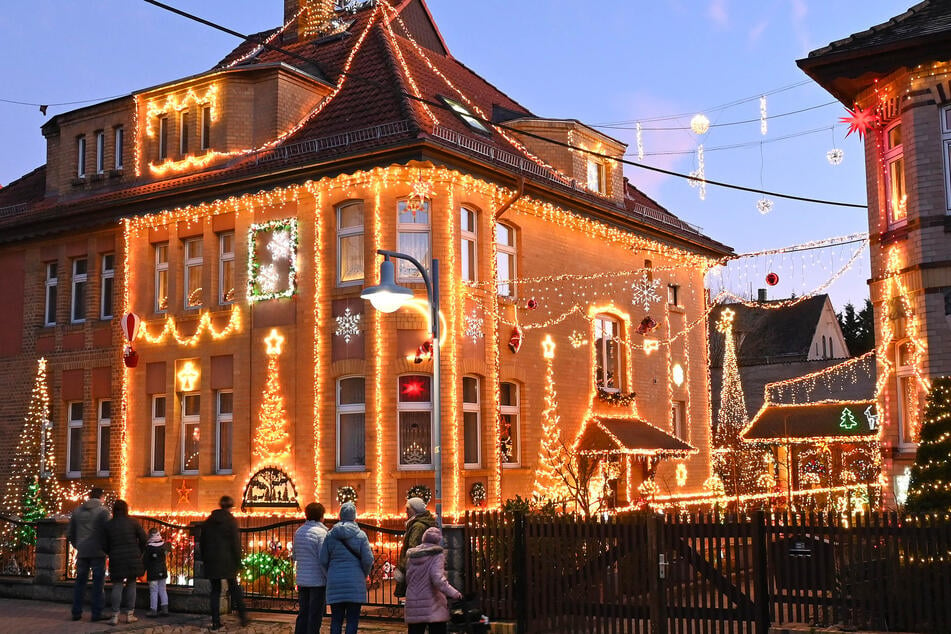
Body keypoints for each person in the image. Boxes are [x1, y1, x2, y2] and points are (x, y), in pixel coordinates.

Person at [319, 502, 374, 634]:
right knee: (352, 620)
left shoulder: (330, 535)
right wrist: (364, 573)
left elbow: (323, 559)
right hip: (355, 583)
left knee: (336, 619)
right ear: (354, 516)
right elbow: (368, 559)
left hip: (335, 582)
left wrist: (329, 574)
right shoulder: (361, 535)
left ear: (340, 515)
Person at [200, 495, 248, 630]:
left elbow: (202, 543)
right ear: (230, 507)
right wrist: (238, 561)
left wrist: (205, 559)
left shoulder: (208, 521)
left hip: (212, 561)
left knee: (215, 591)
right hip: (228, 561)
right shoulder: (231, 521)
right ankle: (243, 617)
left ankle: (215, 621)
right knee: (234, 589)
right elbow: (235, 543)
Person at [404, 527, 463, 634]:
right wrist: (455, 594)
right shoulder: (436, 554)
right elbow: (438, 580)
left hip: (413, 600)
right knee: (437, 629)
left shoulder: (412, 556)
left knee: (415, 630)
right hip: (432, 603)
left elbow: (408, 577)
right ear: (438, 540)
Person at [68, 487, 111, 622]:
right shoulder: (103, 512)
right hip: (98, 551)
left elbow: (71, 533)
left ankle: (76, 612)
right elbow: (107, 532)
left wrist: (78, 545)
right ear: (101, 497)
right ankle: (96, 613)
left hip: (82, 550)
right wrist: (107, 549)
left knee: (80, 582)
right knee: (98, 583)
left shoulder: (77, 511)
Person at [102, 499, 148, 625]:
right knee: (132, 584)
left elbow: (103, 544)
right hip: (133, 557)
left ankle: (115, 615)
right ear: (126, 509)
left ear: (114, 510)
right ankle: (129, 614)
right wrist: (139, 551)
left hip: (116, 558)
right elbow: (144, 538)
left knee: (117, 585)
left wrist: (110, 552)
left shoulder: (109, 525)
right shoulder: (133, 522)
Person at [293, 502, 328, 634]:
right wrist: (327, 576)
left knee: (303, 612)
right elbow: (323, 558)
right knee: (315, 614)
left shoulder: (299, 532)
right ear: (321, 516)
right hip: (317, 580)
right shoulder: (322, 534)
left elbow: (295, 555)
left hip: (302, 579)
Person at [395, 497, 436, 598]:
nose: (406, 511)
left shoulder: (417, 526)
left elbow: (412, 550)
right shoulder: (420, 523)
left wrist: (402, 568)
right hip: (422, 568)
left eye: (408, 509)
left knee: (416, 599)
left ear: (415, 510)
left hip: (415, 570)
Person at [143, 527, 172, 617]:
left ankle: (153, 610)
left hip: (152, 572)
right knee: (163, 590)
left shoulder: (149, 547)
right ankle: (165, 609)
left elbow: (145, 561)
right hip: (163, 570)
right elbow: (169, 553)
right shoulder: (164, 545)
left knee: (153, 591)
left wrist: (142, 570)